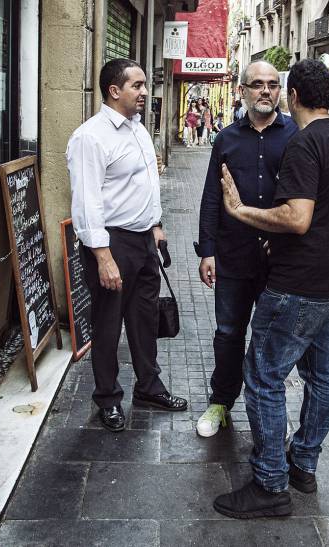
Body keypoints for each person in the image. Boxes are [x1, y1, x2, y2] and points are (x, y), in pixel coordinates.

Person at [212, 58, 329, 518]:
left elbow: (295, 218)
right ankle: (303, 465)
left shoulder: (305, 143)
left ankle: (270, 483)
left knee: (262, 377)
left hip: (299, 284)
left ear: (292, 96)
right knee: (321, 376)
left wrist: (241, 212)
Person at [66, 58, 189, 432]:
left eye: (145, 84)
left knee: (144, 318)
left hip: (143, 242)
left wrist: (155, 226)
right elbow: (86, 203)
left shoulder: (137, 128)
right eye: (137, 85)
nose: (145, 92)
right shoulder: (90, 137)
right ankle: (107, 397)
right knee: (107, 324)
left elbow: (144, 184)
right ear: (114, 90)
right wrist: (103, 257)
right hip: (111, 243)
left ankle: (149, 387)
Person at [195, 60, 299, 438]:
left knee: (272, 339)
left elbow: (302, 200)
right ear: (242, 90)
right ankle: (220, 402)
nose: (266, 91)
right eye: (257, 84)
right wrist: (207, 250)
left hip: (278, 260)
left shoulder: (294, 135)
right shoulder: (226, 139)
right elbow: (211, 197)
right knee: (227, 333)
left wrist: (285, 238)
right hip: (233, 254)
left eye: (273, 84)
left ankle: (270, 411)